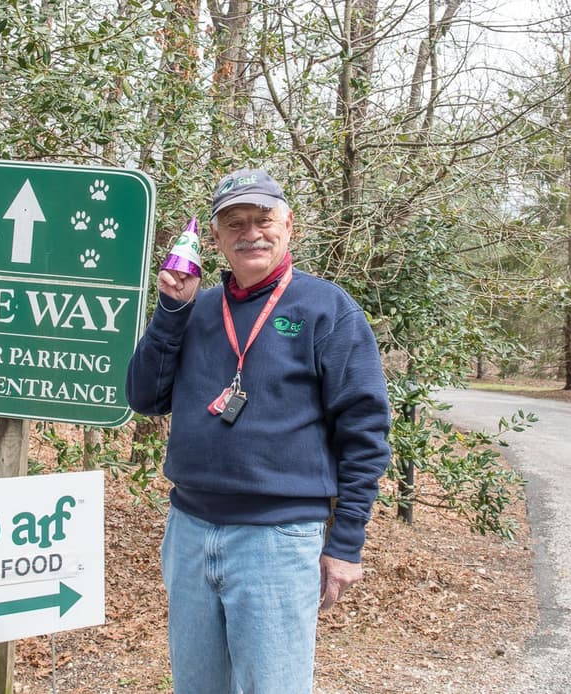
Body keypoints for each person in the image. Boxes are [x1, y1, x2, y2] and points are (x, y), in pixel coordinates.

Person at [125, 168, 391, 694]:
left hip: (279, 539)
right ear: (218, 239)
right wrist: (171, 311)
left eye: (263, 219)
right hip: (190, 530)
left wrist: (347, 543)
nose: (251, 233)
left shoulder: (326, 309)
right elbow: (144, 397)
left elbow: (364, 432)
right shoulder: (194, 309)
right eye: (235, 223)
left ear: (289, 225)